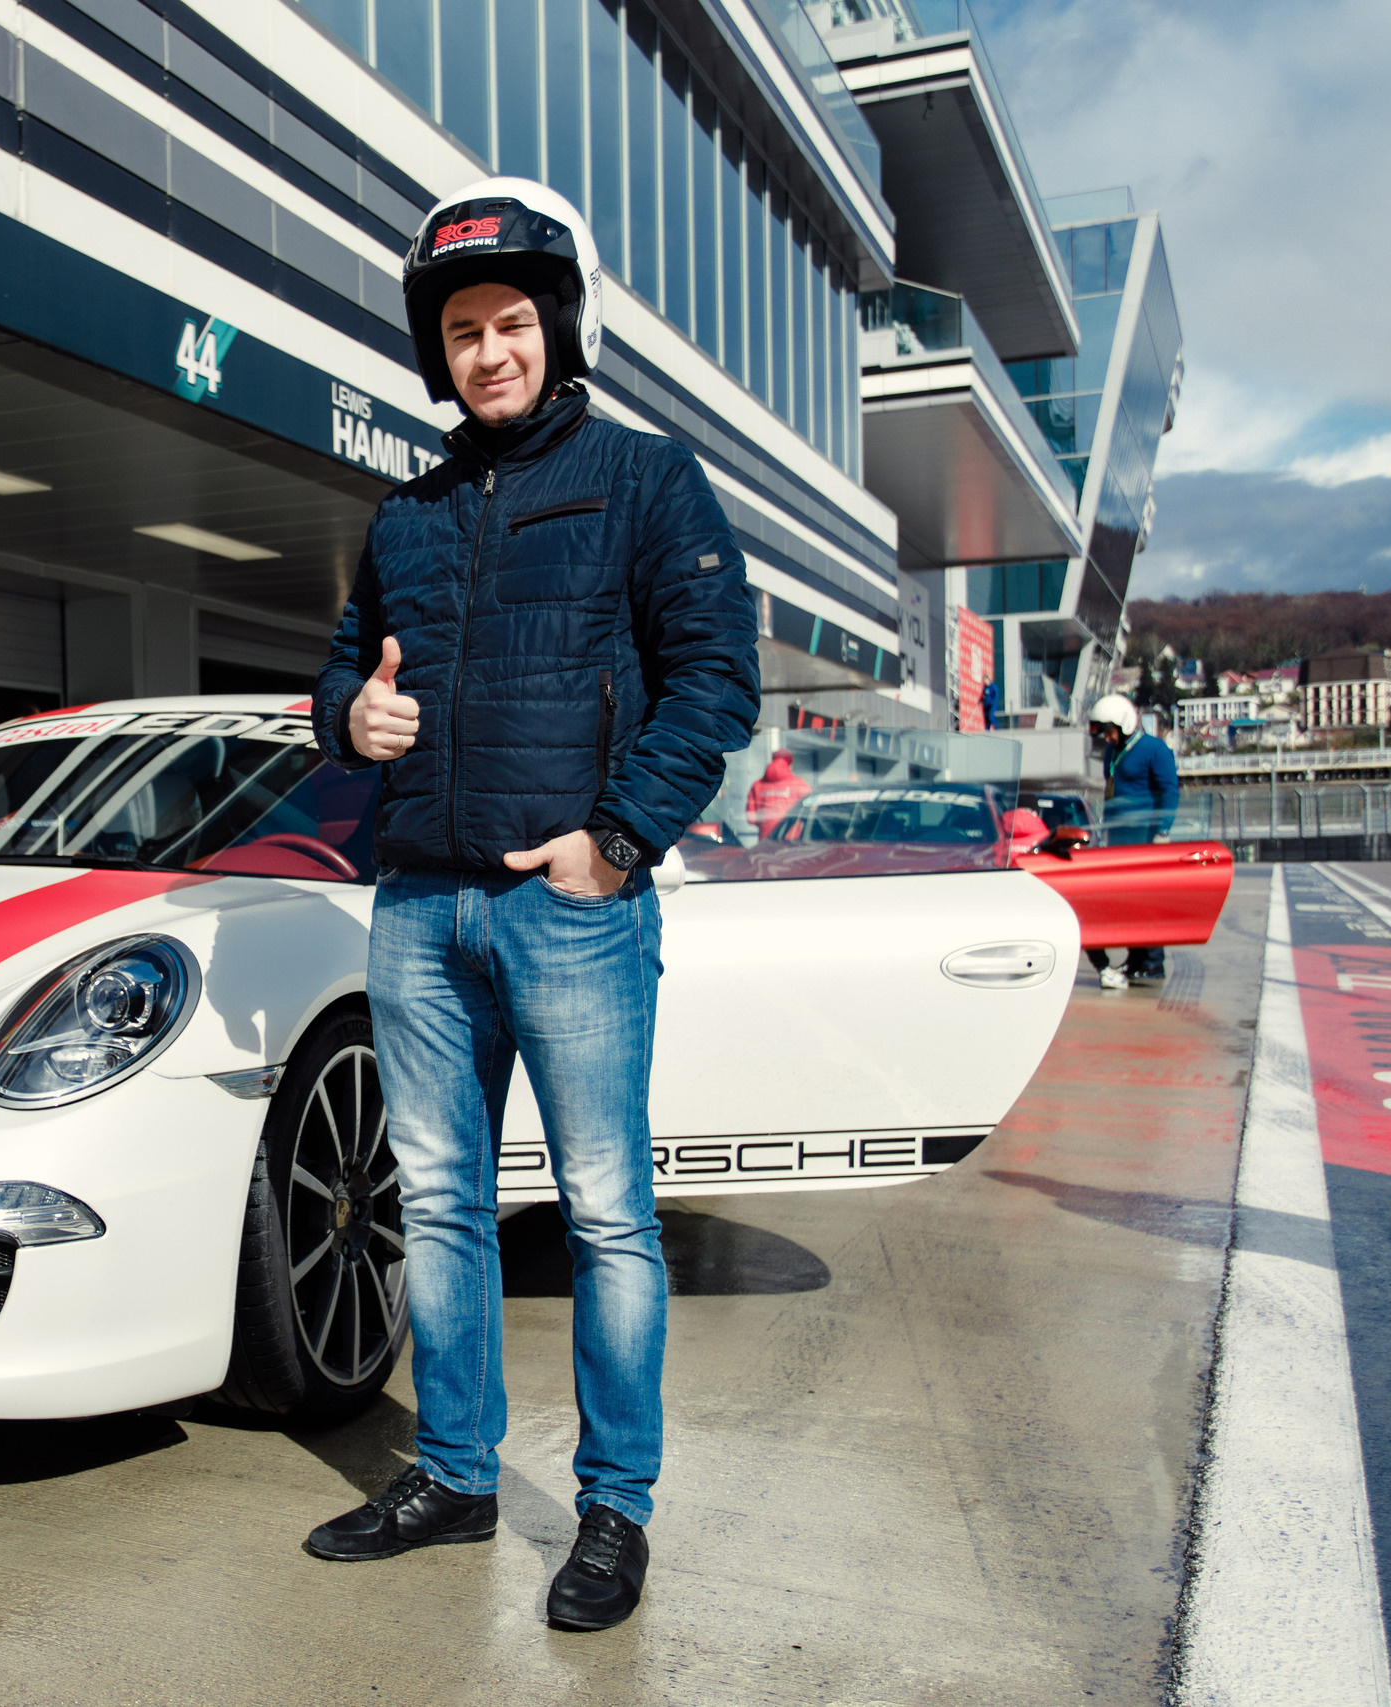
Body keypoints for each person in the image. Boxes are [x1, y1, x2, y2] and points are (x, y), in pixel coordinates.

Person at [305, 177, 759, 1631]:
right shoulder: (406, 514)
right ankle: (456, 1473)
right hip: (418, 909)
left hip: (571, 908)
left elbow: (715, 682)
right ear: (434, 352)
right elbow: (338, 671)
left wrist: (616, 843)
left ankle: (615, 1508)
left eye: (510, 322)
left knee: (610, 1214)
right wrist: (346, 724)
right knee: (438, 1203)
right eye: (460, 330)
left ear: (556, 330)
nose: (487, 351)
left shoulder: (646, 481)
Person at [1088, 692, 1179, 989]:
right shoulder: (1113, 753)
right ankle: (1136, 957)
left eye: (1110, 731)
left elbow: (1170, 791)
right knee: (1127, 902)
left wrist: (1162, 831)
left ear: (1124, 724)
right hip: (1119, 839)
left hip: (1144, 838)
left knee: (1146, 900)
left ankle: (1153, 962)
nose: (1108, 738)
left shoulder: (1155, 750)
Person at [744, 749, 809, 839]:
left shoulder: (757, 785)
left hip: (766, 840)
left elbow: (751, 818)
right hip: (792, 840)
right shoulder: (798, 784)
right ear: (789, 764)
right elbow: (811, 810)